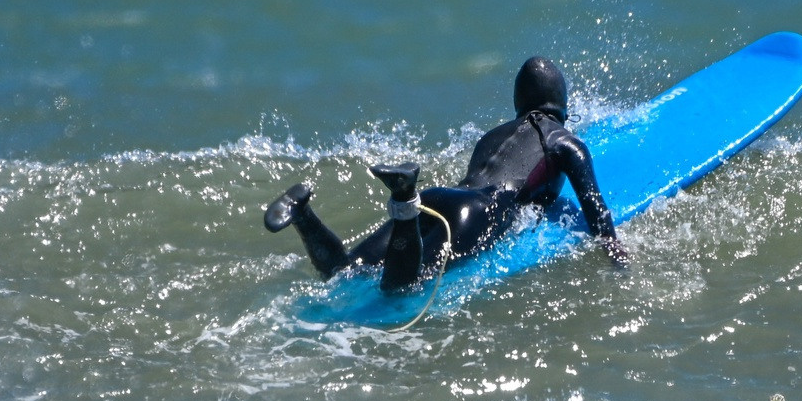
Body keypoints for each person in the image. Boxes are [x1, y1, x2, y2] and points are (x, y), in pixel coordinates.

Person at [263, 55, 625, 293]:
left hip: (442, 197)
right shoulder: (564, 141)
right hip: (480, 212)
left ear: (518, 102)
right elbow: (594, 207)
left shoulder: (492, 136)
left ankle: (304, 214)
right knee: (403, 286)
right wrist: (616, 256)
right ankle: (404, 197)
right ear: (562, 103)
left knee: (344, 270)